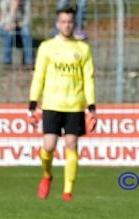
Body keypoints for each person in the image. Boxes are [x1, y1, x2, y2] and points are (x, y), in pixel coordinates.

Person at [28, 5, 97, 202]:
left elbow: (88, 79)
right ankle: (47, 175)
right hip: (51, 103)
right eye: (63, 22)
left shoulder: (83, 49)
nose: (67, 25)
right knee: (48, 146)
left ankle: (67, 191)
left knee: (71, 144)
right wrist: (33, 102)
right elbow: (39, 75)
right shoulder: (47, 47)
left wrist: (91, 106)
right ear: (58, 24)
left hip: (75, 105)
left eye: (70, 22)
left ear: (74, 24)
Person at [0, 0, 34, 66]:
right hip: (4, 26)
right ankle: (7, 62)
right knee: (10, 32)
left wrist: (16, 25)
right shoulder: (4, 2)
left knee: (26, 31)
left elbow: (27, 20)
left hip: (19, 26)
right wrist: (13, 10)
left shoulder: (26, 2)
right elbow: (4, 22)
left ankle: (29, 61)